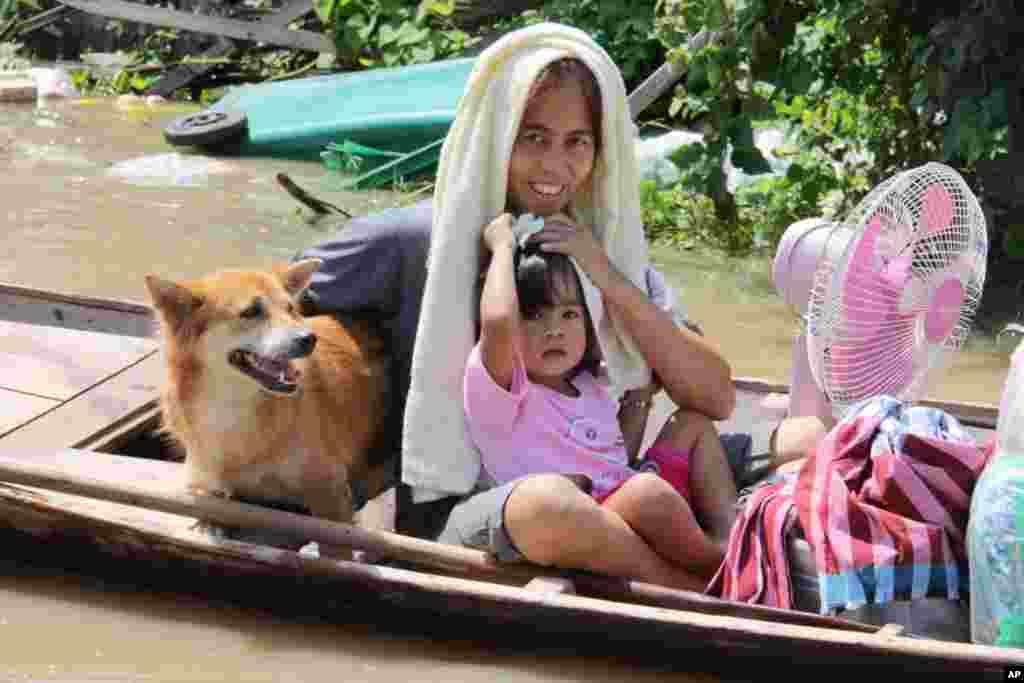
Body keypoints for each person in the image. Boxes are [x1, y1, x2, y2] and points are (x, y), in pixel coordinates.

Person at [297, 23, 741, 590]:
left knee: (655, 467)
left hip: (602, 498)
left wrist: (607, 278)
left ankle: (707, 561)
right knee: (547, 504)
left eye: (577, 141)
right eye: (534, 138)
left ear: (601, 152)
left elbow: (716, 397)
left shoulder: (605, 251)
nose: (555, 165)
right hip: (466, 515)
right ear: (497, 136)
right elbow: (275, 303)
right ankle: (686, 590)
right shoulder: (415, 241)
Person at [466, 220, 728, 588]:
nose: (553, 330)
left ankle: (728, 536)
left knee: (692, 425)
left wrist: (639, 400)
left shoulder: (589, 385)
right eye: (534, 316)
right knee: (647, 494)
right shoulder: (504, 388)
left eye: (569, 315)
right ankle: (721, 568)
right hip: (584, 519)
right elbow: (497, 322)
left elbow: (613, 457)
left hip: (627, 502)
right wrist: (502, 248)